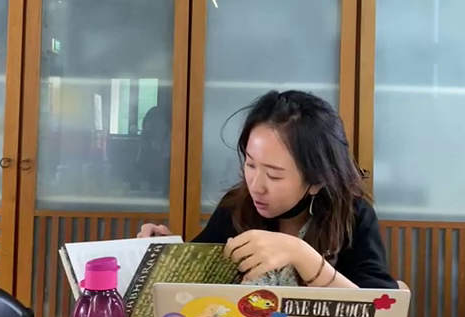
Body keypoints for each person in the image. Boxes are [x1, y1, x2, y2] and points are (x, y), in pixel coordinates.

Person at [138, 90, 396, 289]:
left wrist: (301, 255)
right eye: (250, 164)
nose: (255, 186)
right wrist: (165, 252)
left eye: (274, 175)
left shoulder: (353, 216)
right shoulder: (237, 206)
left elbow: (382, 310)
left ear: (317, 180)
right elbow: (196, 278)